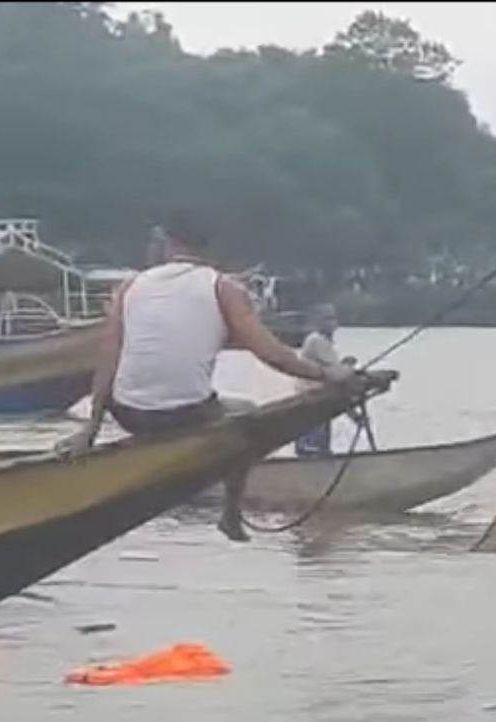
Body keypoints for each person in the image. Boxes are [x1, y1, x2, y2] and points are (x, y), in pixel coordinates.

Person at [58, 213, 359, 541]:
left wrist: (90, 430)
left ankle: (201, 491)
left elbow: (108, 361)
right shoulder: (224, 288)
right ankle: (231, 512)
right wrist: (327, 374)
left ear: (168, 244)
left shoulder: (129, 288)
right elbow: (272, 354)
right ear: (211, 249)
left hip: (127, 413)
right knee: (245, 412)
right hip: (185, 415)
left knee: (213, 403)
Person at [292, 304, 353, 457]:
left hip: (321, 401)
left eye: (333, 318)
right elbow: (338, 374)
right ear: (317, 321)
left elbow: (334, 372)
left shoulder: (325, 343)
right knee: (314, 448)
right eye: (327, 318)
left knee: (321, 448)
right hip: (312, 401)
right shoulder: (316, 341)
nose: (332, 322)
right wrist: (349, 368)